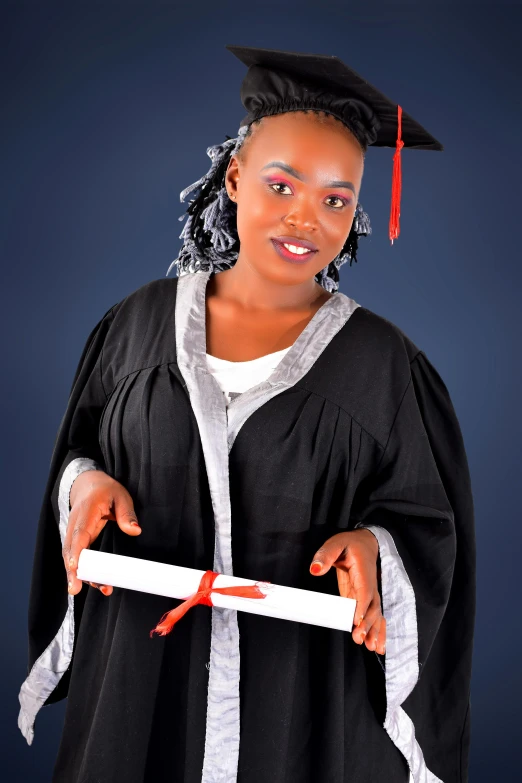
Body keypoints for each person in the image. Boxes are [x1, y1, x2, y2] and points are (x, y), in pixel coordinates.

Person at [18, 44, 476, 783]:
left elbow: (428, 525)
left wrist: (375, 548)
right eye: (281, 184)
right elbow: (79, 454)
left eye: (337, 197)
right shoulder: (132, 329)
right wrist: (86, 487)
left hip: (307, 715)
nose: (307, 217)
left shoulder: (387, 367)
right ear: (234, 178)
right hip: (144, 685)